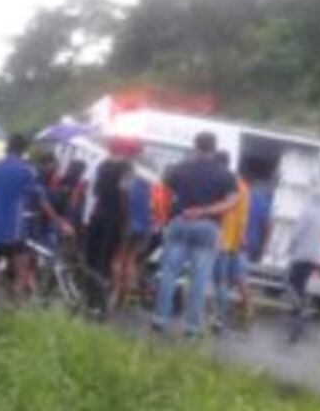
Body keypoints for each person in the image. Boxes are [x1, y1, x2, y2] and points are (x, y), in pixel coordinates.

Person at [153, 132, 238, 337]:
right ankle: (191, 328)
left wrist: (166, 217)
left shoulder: (180, 168)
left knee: (169, 273)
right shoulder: (225, 174)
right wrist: (205, 211)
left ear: (195, 146)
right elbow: (232, 202)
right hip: (208, 227)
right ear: (214, 148)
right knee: (199, 279)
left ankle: (160, 320)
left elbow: (164, 190)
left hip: (180, 222)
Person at [0, 133, 38, 303]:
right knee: (21, 272)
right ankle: (14, 313)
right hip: (14, 230)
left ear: (7, 147)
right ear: (24, 150)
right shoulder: (27, 171)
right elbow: (35, 197)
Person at [84, 138, 136, 317]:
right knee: (105, 259)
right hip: (114, 218)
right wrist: (127, 220)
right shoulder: (127, 168)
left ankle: (88, 298)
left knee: (91, 258)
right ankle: (99, 303)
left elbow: (95, 191)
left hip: (98, 214)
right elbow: (124, 192)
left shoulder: (102, 165)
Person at [212, 153, 250, 331]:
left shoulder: (219, 181)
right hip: (231, 242)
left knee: (216, 281)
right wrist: (241, 237)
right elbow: (243, 216)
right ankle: (219, 319)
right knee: (224, 282)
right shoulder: (242, 185)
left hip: (217, 239)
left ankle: (217, 319)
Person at [287, 190, 320, 341]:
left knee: (291, 282)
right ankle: (298, 308)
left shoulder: (306, 211)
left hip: (301, 254)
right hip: (314, 255)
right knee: (302, 283)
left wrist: (291, 246)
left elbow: (297, 232)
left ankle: (299, 307)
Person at [113, 165, 153, 311]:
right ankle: (127, 297)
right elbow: (151, 211)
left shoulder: (126, 185)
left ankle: (115, 293)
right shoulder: (148, 187)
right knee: (131, 261)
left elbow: (123, 205)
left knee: (117, 259)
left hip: (128, 226)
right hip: (143, 229)